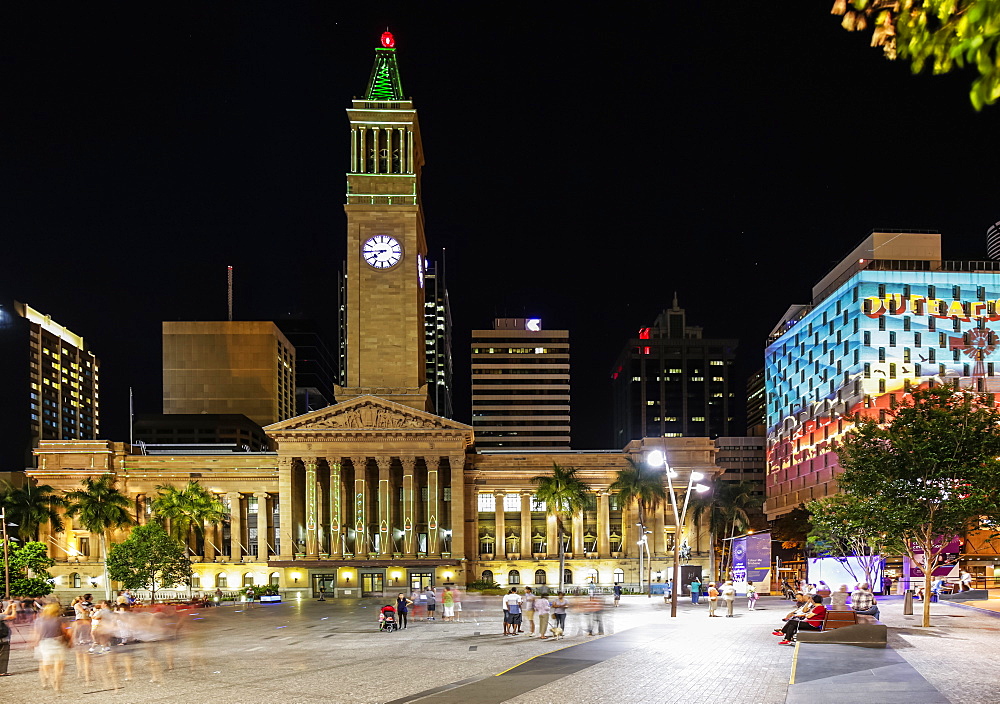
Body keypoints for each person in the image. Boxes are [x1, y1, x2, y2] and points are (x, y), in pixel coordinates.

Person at [34, 602, 69, 692]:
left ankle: (48, 678)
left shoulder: (40, 621)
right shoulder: (59, 620)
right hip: (57, 642)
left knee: (46, 664)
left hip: (45, 643)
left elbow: (37, 634)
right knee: (59, 666)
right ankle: (57, 685)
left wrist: (35, 643)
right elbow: (65, 632)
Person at [0, 598, 15, 677]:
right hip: (2, 639)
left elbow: (4, 614)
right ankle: (2, 671)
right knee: (4, 655)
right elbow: (12, 616)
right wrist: (14, 609)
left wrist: (9, 606)